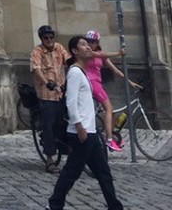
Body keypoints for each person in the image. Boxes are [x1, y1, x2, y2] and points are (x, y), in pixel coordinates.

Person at [46, 35, 124, 210]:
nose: (88, 47)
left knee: (103, 172)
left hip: (90, 131)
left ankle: (115, 206)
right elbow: (71, 102)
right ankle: (54, 205)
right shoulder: (74, 72)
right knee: (71, 172)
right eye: (83, 45)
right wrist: (79, 126)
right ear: (75, 51)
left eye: (88, 44)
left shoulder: (83, 72)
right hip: (81, 133)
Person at [84, 30, 140, 152]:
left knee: (111, 111)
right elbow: (101, 55)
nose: (90, 44)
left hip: (98, 82)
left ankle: (110, 134)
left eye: (93, 42)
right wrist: (118, 53)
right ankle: (109, 140)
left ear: (97, 42)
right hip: (91, 82)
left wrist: (130, 82)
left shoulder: (99, 54)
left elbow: (115, 70)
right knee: (108, 108)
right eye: (88, 41)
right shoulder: (87, 53)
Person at [31, 24, 68, 171]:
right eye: (46, 38)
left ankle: (66, 148)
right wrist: (47, 83)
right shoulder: (37, 51)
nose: (49, 40)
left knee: (63, 123)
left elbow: (70, 61)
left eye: (51, 37)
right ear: (41, 38)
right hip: (46, 94)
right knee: (48, 126)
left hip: (61, 93)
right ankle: (49, 159)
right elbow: (36, 69)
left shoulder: (59, 48)